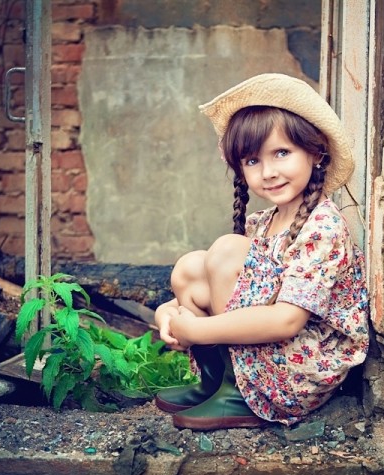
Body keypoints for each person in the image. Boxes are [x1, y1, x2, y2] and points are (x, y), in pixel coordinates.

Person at [154, 73, 369, 431]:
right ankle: (216, 382)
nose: (268, 172)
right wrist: (169, 316)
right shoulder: (261, 222)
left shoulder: (323, 226)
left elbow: (287, 320)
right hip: (270, 354)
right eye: (252, 161)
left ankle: (241, 393)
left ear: (315, 153)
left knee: (225, 250)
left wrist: (199, 330)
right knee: (191, 266)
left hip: (300, 372)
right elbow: (223, 293)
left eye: (281, 153)